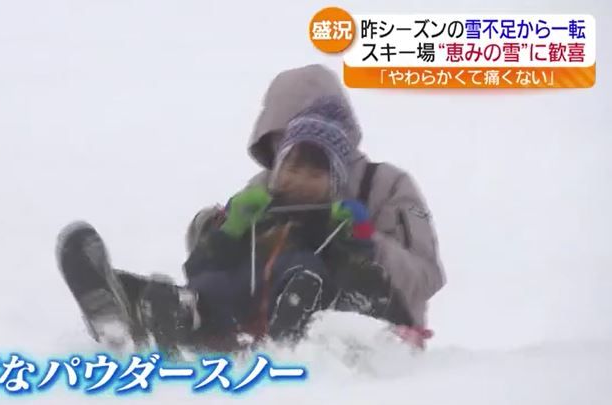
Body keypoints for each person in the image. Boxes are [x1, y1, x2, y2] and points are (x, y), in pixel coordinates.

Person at [56, 96, 414, 354]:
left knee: (304, 270)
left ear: (333, 181)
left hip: (298, 310)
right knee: (204, 286)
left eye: (314, 171)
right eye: (292, 166)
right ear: (277, 170)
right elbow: (199, 265)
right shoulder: (253, 209)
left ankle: (287, 333)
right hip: (222, 313)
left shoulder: (337, 223)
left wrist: (357, 237)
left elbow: (369, 288)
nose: (300, 178)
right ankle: (123, 306)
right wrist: (228, 229)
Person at [186, 64, 446, 347]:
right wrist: (218, 227)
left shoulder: (385, 184)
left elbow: (426, 277)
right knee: (220, 282)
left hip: (370, 334)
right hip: (261, 322)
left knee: (305, 270)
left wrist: (365, 239)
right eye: (282, 140)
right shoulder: (263, 187)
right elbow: (221, 260)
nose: (299, 167)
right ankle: (184, 317)